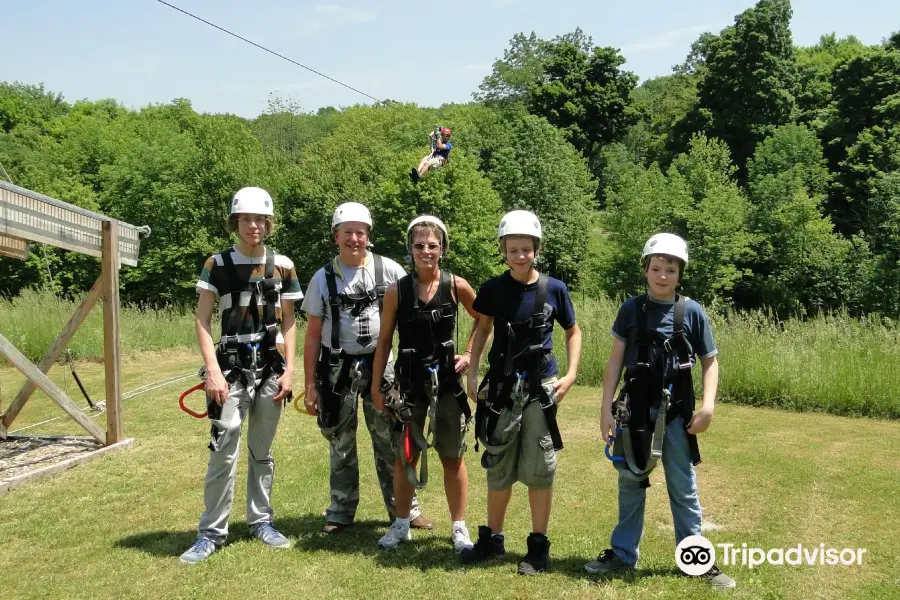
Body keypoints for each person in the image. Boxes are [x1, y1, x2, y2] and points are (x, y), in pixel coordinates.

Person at [584, 232, 736, 590]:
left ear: (680, 273)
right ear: (646, 270)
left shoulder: (691, 313)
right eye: (656, 268)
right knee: (631, 482)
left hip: (677, 416)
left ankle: (696, 560)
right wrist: (606, 410)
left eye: (670, 269)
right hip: (633, 413)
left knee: (683, 488)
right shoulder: (631, 310)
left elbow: (710, 362)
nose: (662, 275)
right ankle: (622, 555)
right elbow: (614, 362)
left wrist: (708, 406)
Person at [180, 186, 302, 564]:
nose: (254, 226)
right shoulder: (217, 264)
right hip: (230, 371)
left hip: (269, 369)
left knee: (261, 452)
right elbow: (202, 320)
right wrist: (213, 372)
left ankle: (261, 520)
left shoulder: (282, 265)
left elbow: (291, 321)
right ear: (236, 222)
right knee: (222, 451)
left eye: (261, 220)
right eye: (247, 219)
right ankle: (211, 532)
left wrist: (290, 370)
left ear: (269, 224)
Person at [461, 209, 582, 575]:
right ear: (503, 250)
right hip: (500, 389)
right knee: (498, 464)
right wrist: (472, 369)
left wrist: (572, 374)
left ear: (536, 249)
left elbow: (572, 332)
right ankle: (492, 538)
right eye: (513, 249)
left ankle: (537, 547)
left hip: (540, 389)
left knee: (539, 467)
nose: (520, 256)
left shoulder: (554, 289)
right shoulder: (493, 289)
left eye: (526, 249)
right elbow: (482, 329)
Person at [301, 201, 433, 534]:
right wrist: (310, 384)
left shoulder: (389, 271)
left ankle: (404, 509)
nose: (355, 239)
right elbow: (313, 333)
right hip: (336, 369)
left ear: (368, 236)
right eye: (348, 233)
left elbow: (413, 317)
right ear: (336, 236)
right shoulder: (322, 278)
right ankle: (341, 511)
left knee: (392, 440)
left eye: (360, 233)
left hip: (382, 366)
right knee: (340, 442)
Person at [370, 215, 481, 553]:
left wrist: (468, 353)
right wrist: (377, 387)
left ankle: (459, 528)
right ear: (411, 249)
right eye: (419, 246)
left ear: (442, 249)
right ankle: (401, 524)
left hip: (447, 385)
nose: (426, 251)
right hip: (409, 387)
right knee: (406, 458)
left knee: (452, 457)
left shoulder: (456, 285)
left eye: (433, 245)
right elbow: (385, 341)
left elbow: (484, 319)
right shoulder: (396, 291)